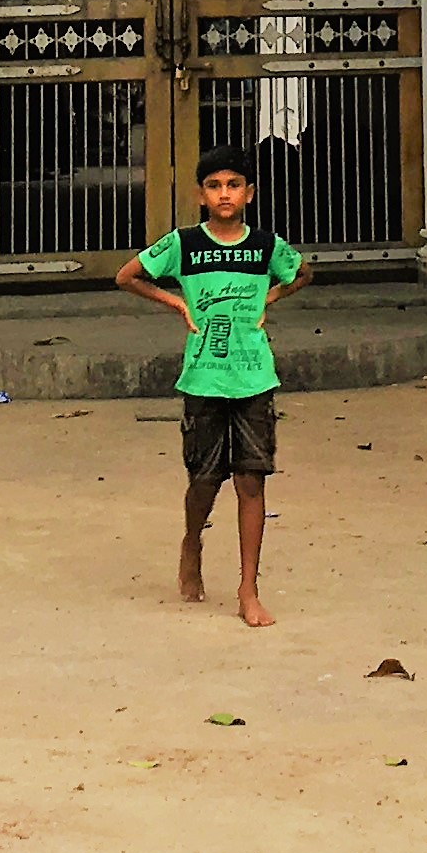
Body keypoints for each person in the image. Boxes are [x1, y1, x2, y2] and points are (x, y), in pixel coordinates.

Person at [114, 146, 307, 626]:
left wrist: (272, 296)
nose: (225, 193)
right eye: (216, 186)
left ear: (250, 194)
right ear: (202, 195)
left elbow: (303, 272)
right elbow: (128, 276)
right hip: (203, 377)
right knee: (204, 479)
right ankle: (192, 540)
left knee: (251, 480)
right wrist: (176, 303)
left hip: (254, 376)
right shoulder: (183, 245)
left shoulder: (265, 246)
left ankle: (248, 589)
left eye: (234, 185)